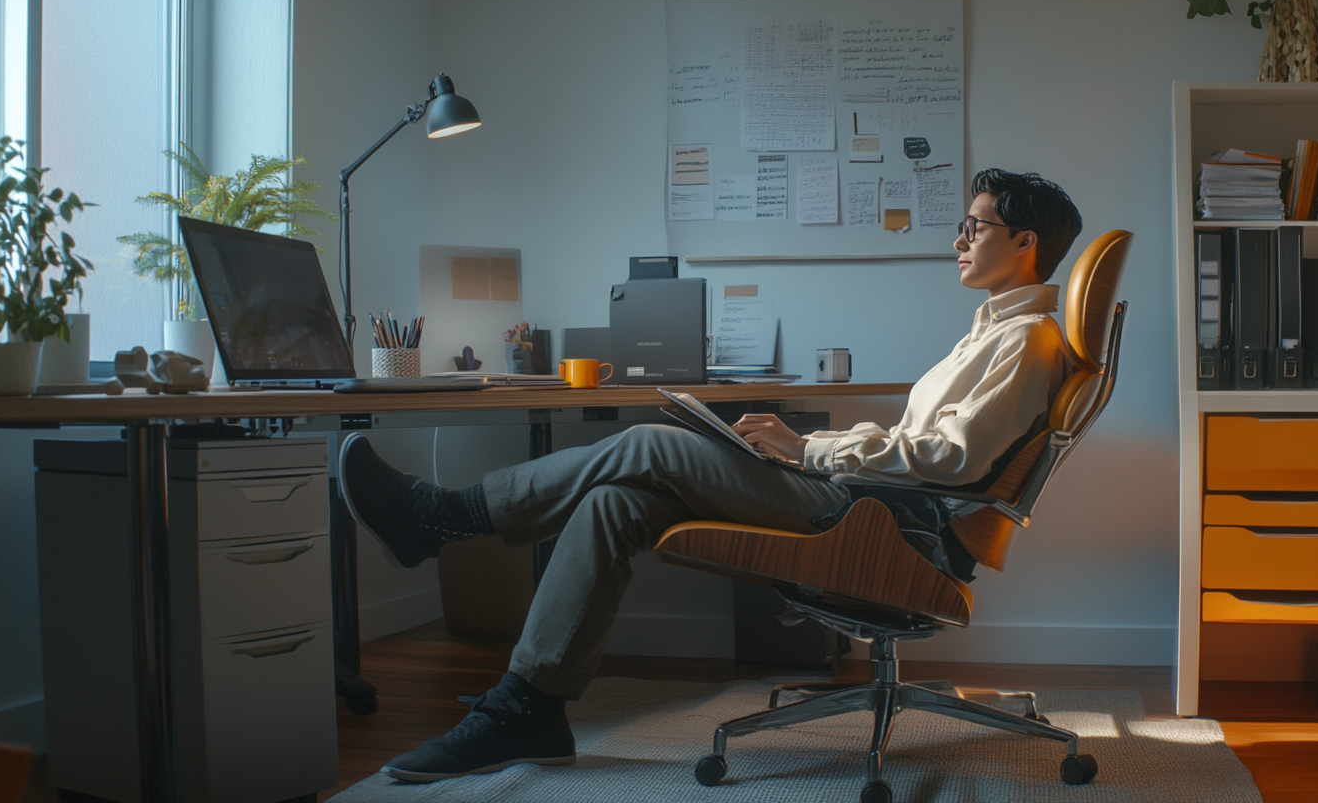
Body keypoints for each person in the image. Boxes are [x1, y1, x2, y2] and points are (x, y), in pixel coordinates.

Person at [339, 168, 1083, 783]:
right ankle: (525, 709)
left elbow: (949, 461)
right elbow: (916, 440)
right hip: (869, 503)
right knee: (615, 501)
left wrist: (810, 452)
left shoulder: (1027, 341)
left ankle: (445, 519)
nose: (958, 237)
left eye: (975, 226)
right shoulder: (992, 332)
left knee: (651, 444)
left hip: (885, 529)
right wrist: (809, 443)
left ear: (1024, 243)